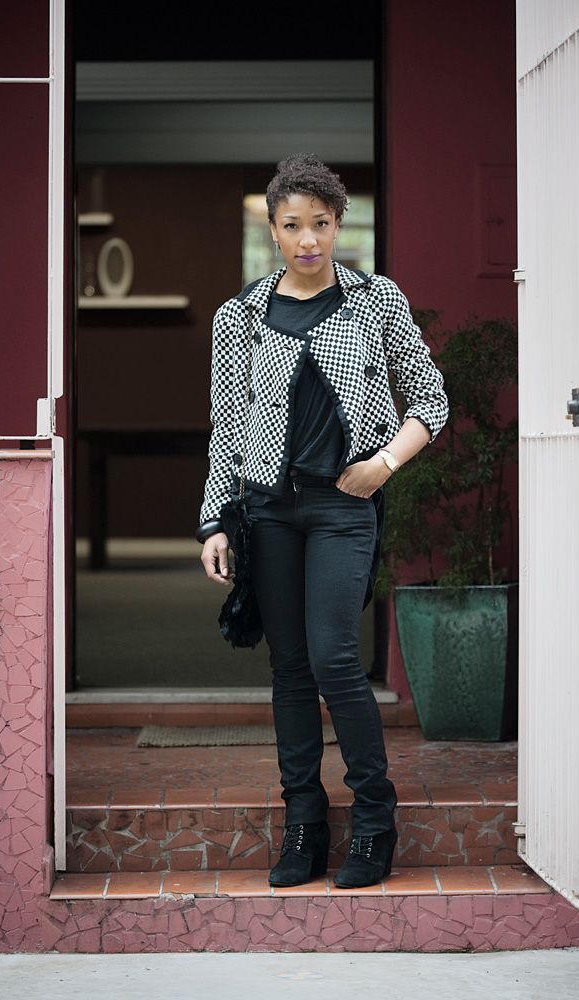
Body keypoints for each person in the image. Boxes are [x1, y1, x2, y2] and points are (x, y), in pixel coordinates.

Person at [197, 154, 448, 888]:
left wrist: (383, 468)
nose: (308, 239)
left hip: (344, 506)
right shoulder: (238, 317)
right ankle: (303, 824)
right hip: (268, 508)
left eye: (321, 223)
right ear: (272, 229)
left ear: (339, 224)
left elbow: (430, 399)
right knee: (290, 669)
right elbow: (226, 426)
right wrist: (215, 520)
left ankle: (374, 821)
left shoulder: (377, 301)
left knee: (336, 659)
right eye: (292, 225)